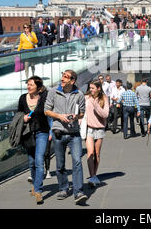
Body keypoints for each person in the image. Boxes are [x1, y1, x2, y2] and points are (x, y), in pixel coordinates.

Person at [44, 70, 88, 204]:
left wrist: (76, 116)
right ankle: (63, 188)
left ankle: (78, 192)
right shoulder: (53, 92)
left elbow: (82, 112)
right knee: (60, 164)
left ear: (72, 81)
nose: (62, 79)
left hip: (74, 133)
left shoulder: (79, 94)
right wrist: (60, 116)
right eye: (62, 76)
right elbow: (46, 110)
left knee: (77, 162)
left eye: (66, 77)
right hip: (58, 132)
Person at [18, 76, 49, 204]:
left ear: (38, 87)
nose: (28, 87)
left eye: (31, 85)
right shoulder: (22, 98)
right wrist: (23, 118)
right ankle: (36, 184)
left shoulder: (44, 98)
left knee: (39, 161)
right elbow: (18, 113)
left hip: (42, 132)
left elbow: (49, 113)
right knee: (31, 162)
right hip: (28, 133)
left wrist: (51, 130)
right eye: (28, 84)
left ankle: (38, 190)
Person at [84, 80, 109, 187]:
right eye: (90, 88)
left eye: (93, 88)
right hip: (88, 128)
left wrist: (96, 105)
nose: (91, 90)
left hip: (99, 129)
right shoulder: (86, 98)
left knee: (97, 154)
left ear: (98, 88)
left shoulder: (104, 98)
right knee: (90, 153)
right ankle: (93, 176)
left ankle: (94, 174)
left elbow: (105, 114)